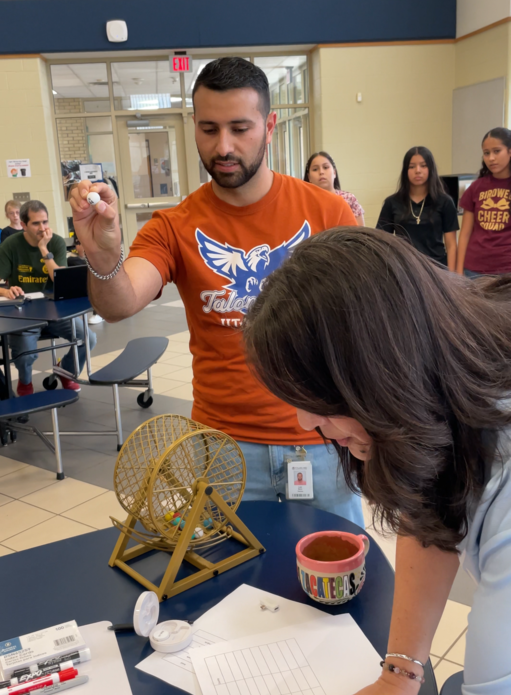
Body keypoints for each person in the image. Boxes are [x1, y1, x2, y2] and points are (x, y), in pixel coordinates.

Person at [188, 226, 511, 695]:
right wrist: (400, 672)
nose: (306, 427)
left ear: (382, 380)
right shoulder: (450, 369)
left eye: (318, 407)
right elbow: (430, 507)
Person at [69, 57, 363, 524]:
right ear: (193, 127)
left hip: (323, 443)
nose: (223, 146)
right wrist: (103, 256)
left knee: (332, 586)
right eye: (209, 129)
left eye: (240, 128)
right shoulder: (174, 224)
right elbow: (120, 303)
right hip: (224, 448)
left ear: (269, 126)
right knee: (228, 587)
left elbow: (367, 326)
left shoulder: (327, 213)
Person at [0, 200, 96, 396]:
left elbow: (58, 278)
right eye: (36, 223)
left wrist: (44, 250)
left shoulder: (57, 242)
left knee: (88, 338)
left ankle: (66, 371)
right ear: (24, 225)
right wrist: (6, 291)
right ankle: (25, 382)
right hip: (24, 312)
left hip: (54, 309)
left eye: (45, 222)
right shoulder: (10, 245)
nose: (42, 228)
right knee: (25, 353)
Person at [376, 146, 458, 270]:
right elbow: (381, 240)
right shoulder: (391, 203)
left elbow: (451, 245)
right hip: (405, 269)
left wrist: (452, 277)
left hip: (437, 269)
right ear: (405, 171)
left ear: (431, 169)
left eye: (423, 165)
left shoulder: (445, 202)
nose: (418, 170)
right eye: (412, 166)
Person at [456, 127, 511, 278]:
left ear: (510, 151)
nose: (491, 158)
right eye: (486, 153)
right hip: (474, 270)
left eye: (496, 151)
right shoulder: (476, 188)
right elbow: (465, 233)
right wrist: (459, 272)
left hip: (507, 270)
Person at [304, 152, 364, 225]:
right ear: (309, 177)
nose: (321, 172)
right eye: (315, 169)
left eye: (325, 167)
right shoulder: (304, 203)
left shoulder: (349, 199)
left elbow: (361, 233)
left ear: (334, 173)